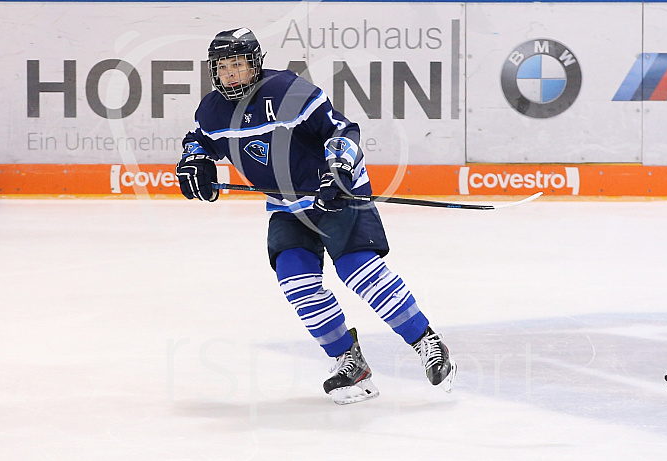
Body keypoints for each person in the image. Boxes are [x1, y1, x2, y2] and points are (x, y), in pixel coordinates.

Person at [175, 27, 456, 404]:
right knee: (296, 281)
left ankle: (427, 343)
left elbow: (341, 130)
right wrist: (195, 161)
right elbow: (199, 140)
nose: (229, 74)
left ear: (255, 65)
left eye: (237, 65)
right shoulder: (212, 109)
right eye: (222, 67)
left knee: (358, 271)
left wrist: (338, 169)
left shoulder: (287, 91)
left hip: (335, 194)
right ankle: (349, 362)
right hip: (287, 206)